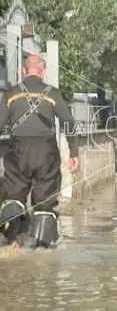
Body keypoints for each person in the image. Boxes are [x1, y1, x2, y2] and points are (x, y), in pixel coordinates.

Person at [0, 54, 79, 249]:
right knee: (45, 202)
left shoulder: (11, 95)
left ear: (23, 71)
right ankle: (42, 251)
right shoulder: (53, 94)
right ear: (43, 71)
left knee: (12, 195)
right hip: (46, 153)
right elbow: (68, 122)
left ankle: (13, 241)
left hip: (18, 150)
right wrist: (74, 152)